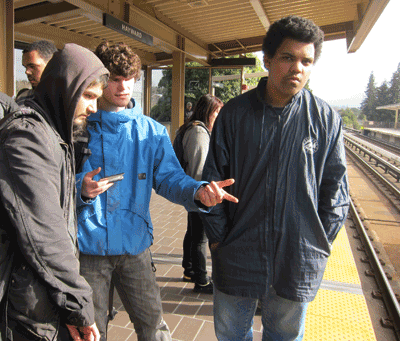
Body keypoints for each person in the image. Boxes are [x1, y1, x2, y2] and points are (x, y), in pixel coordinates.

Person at [201, 15, 350, 340]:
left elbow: (337, 195)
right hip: (237, 252)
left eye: (306, 61)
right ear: (268, 60)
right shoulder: (235, 115)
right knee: (231, 335)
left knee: (284, 336)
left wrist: (317, 246)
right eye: (288, 57)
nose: (297, 67)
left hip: (297, 259)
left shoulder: (325, 120)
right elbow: (211, 183)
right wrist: (218, 241)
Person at [76, 41, 237, 341]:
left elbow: (170, 178)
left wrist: (199, 191)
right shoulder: (78, 128)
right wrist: (80, 188)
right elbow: (55, 181)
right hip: (88, 247)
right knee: (90, 331)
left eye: (129, 78)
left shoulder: (150, 131)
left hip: (135, 246)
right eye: (114, 78)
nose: (123, 86)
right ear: (99, 80)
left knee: (154, 326)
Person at [0, 43, 109, 341]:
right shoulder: (28, 136)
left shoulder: (53, 132)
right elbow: (44, 234)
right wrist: (80, 305)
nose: (93, 108)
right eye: (88, 96)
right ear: (64, 88)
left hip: (42, 300)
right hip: (26, 309)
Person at [176, 94, 223, 294]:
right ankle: (201, 280)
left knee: (194, 232)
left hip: (192, 190)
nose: (219, 118)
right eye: (216, 113)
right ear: (207, 112)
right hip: (198, 191)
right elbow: (199, 168)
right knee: (201, 237)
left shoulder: (192, 128)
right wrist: (203, 193)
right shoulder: (199, 132)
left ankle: (189, 269)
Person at [15, 40, 57, 104]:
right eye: (25, 67)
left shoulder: (69, 99)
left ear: (51, 64)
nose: (27, 72)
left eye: (32, 66)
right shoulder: (22, 98)